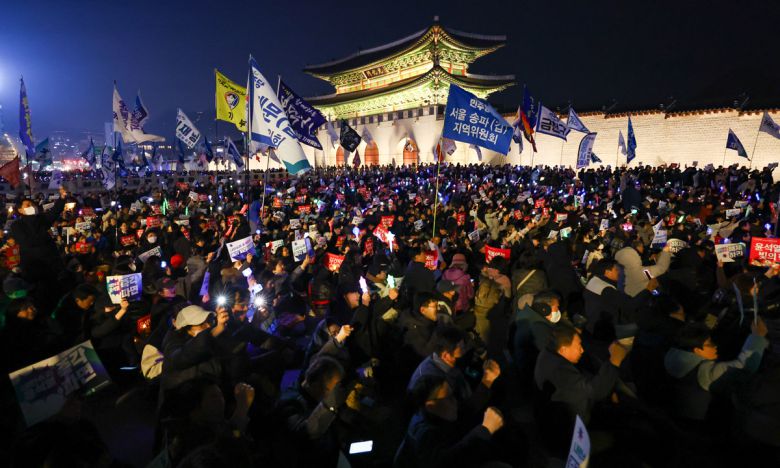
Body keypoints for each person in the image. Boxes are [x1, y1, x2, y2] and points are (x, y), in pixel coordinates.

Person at [664, 319, 769, 421]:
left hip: (674, 416)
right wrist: (757, 336)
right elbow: (744, 367)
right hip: (699, 427)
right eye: (710, 344)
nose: (715, 346)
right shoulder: (705, 372)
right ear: (697, 350)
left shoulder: (672, 356)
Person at [394, 374, 505, 468]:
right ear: (431, 405)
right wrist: (485, 429)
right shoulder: (424, 434)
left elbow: (465, 410)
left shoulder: (434, 413)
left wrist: (487, 381)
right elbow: (449, 462)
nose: (455, 400)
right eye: (449, 397)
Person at [534, 322, 627, 423]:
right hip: (574, 424)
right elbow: (596, 391)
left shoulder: (548, 354)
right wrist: (614, 360)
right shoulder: (559, 371)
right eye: (578, 346)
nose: (582, 350)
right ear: (563, 349)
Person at [270, 356, 348, 468]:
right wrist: (330, 404)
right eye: (329, 390)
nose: (332, 395)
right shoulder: (289, 403)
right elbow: (305, 432)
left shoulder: (313, 397)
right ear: (315, 385)